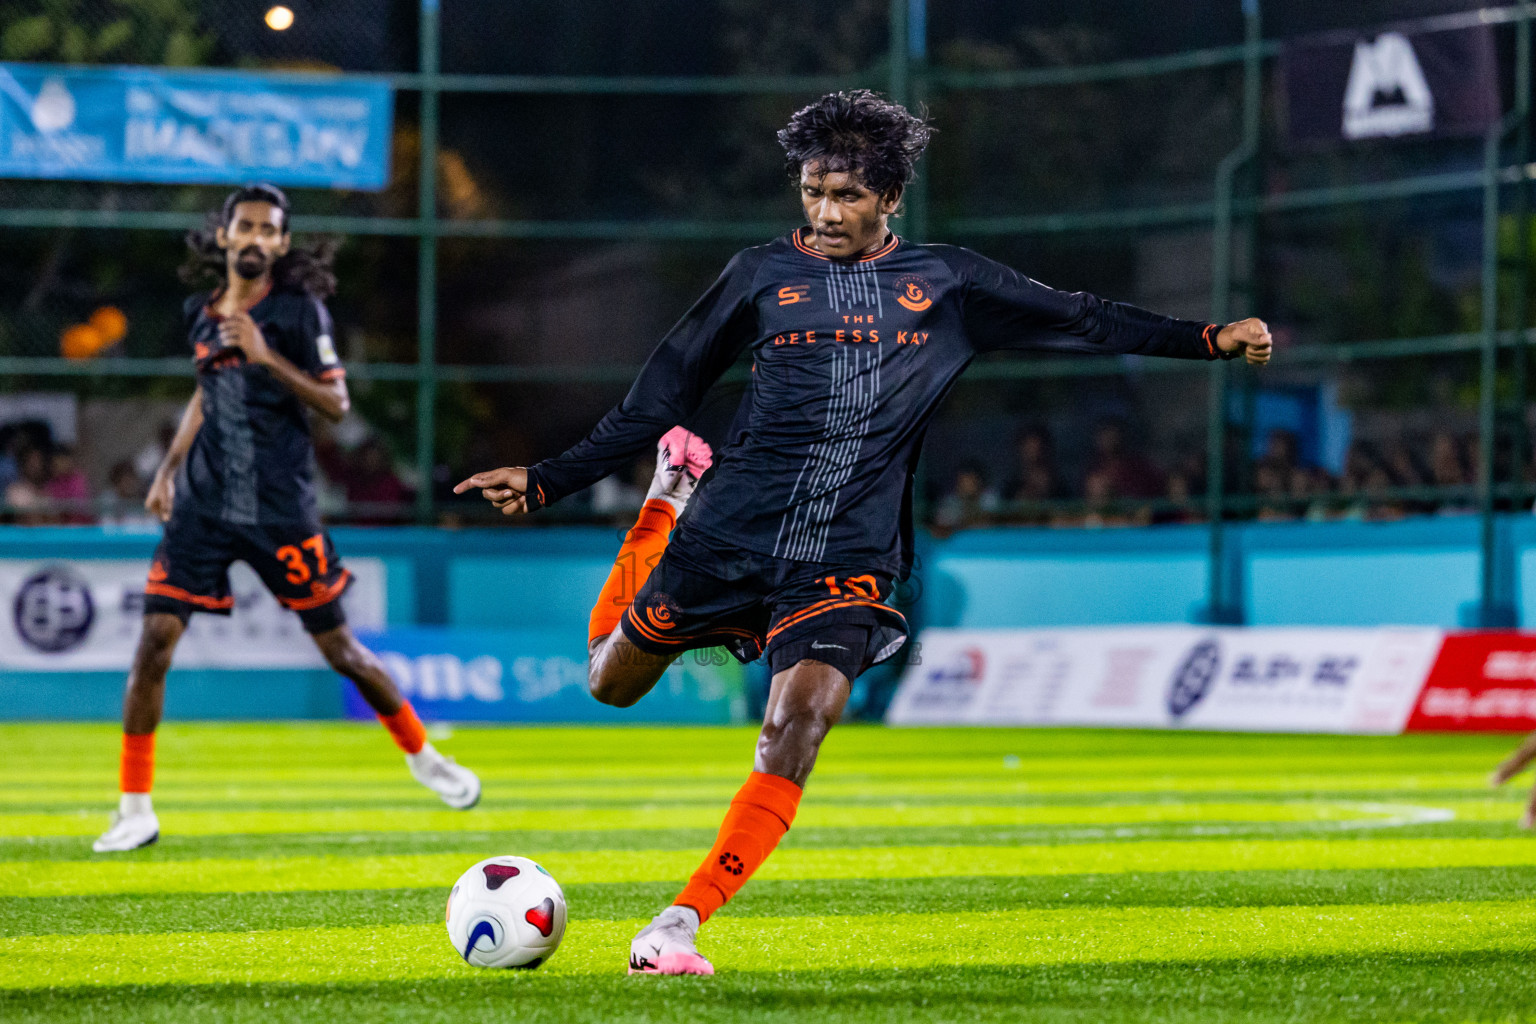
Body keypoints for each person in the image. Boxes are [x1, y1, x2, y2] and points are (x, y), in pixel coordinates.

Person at [454, 90, 1273, 975]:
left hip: (847, 557)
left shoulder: (949, 283)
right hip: (725, 534)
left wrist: (1208, 338)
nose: (825, 212)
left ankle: (678, 925)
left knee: (796, 727)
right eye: (812, 192)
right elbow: (658, 398)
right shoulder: (760, 274)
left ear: (889, 199)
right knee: (610, 682)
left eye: (845, 195)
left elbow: (1080, 314)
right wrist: (547, 479)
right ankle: (666, 501)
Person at [92, 184, 480, 854]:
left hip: (282, 511)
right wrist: (167, 469)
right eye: (243, 226)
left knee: (343, 653)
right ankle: (134, 809)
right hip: (205, 509)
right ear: (224, 236)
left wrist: (267, 357)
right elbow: (206, 394)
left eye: (267, 230)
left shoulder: (301, 313)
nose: (253, 237)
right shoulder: (201, 314)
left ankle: (426, 758)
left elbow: (334, 400)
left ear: (279, 243)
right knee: (154, 642)